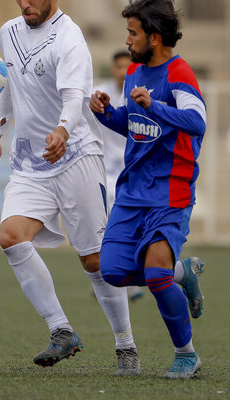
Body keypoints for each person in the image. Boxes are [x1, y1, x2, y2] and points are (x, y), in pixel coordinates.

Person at [0, 0, 139, 376]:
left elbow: (74, 98)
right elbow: (10, 87)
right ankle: (61, 330)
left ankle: (126, 346)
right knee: (12, 237)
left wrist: (63, 130)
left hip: (75, 159)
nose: (24, 3)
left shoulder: (70, 40)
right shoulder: (8, 32)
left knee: (95, 263)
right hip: (30, 162)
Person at [90, 0, 206, 379]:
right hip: (132, 191)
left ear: (154, 37)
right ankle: (181, 274)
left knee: (154, 275)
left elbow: (196, 121)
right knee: (112, 272)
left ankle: (186, 354)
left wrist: (154, 105)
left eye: (132, 33)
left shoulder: (180, 74)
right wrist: (108, 114)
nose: (127, 40)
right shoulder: (135, 73)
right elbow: (135, 124)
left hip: (170, 191)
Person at [93, 50, 144, 302]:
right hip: (103, 168)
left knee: (127, 224)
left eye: (128, 66)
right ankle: (111, 277)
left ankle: (122, 277)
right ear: (113, 69)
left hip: (132, 166)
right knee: (104, 224)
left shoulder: (139, 93)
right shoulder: (99, 93)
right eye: (119, 67)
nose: (123, 72)